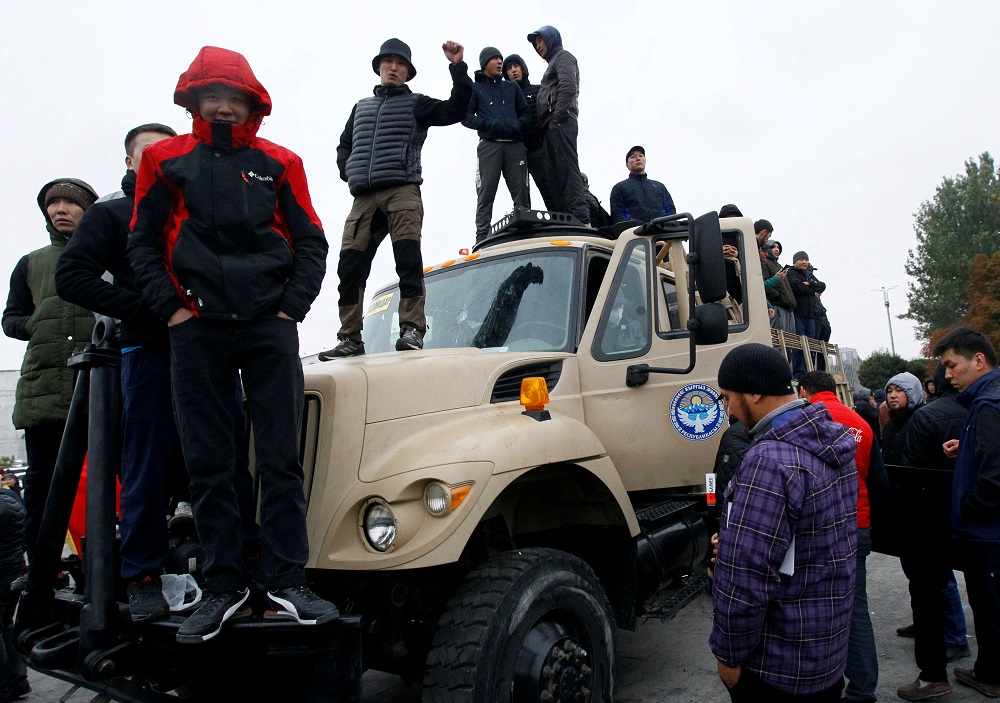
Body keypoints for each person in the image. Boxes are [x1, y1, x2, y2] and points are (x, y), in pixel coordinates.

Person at [128, 45, 335, 644]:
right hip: (196, 327)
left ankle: (287, 580)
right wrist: (172, 310)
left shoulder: (280, 162)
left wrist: (290, 308)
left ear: (252, 102)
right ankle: (221, 587)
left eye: (233, 97)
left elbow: (312, 239)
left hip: (268, 325)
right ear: (193, 99)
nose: (222, 107)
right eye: (211, 96)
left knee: (279, 458)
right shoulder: (166, 160)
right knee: (208, 461)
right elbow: (143, 242)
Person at [55, 123, 186, 621]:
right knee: (144, 462)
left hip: (204, 351)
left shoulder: (194, 210)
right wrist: (141, 308)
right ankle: (143, 572)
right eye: (148, 153)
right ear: (130, 164)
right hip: (147, 351)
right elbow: (72, 277)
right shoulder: (112, 213)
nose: (160, 159)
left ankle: (230, 565)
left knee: (223, 456)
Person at [710, 344, 857, 702]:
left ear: (755, 392)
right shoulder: (830, 440)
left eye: (729, 398)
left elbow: (747, 576)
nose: (729, 409)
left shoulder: (769, 460)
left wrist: (728, 654)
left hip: (778, 667)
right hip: (825, 653)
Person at [324, 38, 472, 358]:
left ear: (407, 72)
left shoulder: (417, 103)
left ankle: (412, 329)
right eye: (388, 61)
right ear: (378, 66)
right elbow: (343, 148)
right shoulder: (361, 108)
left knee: (407, 260)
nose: (393, 67)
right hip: (363, 198)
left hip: (402, 190)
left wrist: (458, 68)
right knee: (349, 266)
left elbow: (455, 109)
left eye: (400, 63)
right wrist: (349, 173)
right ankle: (350, 337)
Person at [2, 177, 98, 561]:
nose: (60, 210)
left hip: (100, 380)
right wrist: (39, 324)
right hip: (43, 387)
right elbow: (11, 318)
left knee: (122, 476)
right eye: (53, 203)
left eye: (71, 203)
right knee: (43, 483)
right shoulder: (30, 263)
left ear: (89, 210)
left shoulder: (109, 253)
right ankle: (42, 565)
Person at [797, 371, 886, 703]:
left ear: (804, 390)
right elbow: (880, 483)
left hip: (818, 527)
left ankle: (823, 684)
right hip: (858, 525)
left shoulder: (802, 420)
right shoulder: (860, 423)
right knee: (855, 609)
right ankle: (862, 687)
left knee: (812, 611)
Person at [893, 364, 971, 698]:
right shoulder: (975, 410)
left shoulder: (926, 418)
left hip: (925, 521)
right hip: (958, 516)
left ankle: (935, 672)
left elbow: (910, 474)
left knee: (931, 589)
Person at [933, 327, 1000, 697]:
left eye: (951, 365)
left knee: (990, 608)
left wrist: (969, 509)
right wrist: (969, 448)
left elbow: (996, 478)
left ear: (978, 360)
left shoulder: (990, 404)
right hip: (989, 530)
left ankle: (991, 674)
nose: (947, 375)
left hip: (988, 532)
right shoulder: (986, 402)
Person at [463, 46, 530, 242]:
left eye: (501, 59)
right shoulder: (476, 88)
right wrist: (487, 125)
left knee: (521, 191)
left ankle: (525, 229)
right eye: (495, 59)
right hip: (489, 146)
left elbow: (526, 113)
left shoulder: (512, 87)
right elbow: (465, 116)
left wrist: (517, 126)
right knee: (486, 192)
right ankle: (481, 235)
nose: (500, 62)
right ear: (485, 63)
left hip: (515, 145)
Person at [526, 25, 589, 225]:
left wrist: (559, 116)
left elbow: (568, 85)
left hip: (561, 121)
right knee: (555, 175)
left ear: (551, 38)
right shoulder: (552, 64)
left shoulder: (563, 57)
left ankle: (580, 218)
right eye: (536, 44)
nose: (538, 46)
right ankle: (565, 220)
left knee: (567, 171)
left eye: (541, 41)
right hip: (550, 125)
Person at [502, 54, 549, 206]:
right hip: (516, 151)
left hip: (539, 149)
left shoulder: (538, 90)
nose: (513, 70)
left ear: (523, 68)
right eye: (509, 68)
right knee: (521, 197)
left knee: (549, 188)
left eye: (516, 66)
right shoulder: (505, 99)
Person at [0, 486, 28, 701]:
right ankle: (18, 681)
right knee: (6, 626)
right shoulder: (11, 500)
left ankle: (3, 689)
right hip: (13, 570)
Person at [609, 146, 676, 224]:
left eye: (641, 156)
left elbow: (670, 210)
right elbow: (617, 214)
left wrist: (670, 226)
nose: (638, 159)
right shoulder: (620, 188)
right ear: (627, 165)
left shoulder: (660, 186)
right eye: (633, 157)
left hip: (662, 232)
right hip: (635, 233)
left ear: (645, 160)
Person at [786, 251, 826, 378]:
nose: (804, 262)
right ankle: (799, 373)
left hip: (811, 316)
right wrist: (812, 289)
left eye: (806, 259)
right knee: (799, 344)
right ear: (795, 261)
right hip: (798, 314)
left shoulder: (808, 275)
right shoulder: (791, 273)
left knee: (810, 345)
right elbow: (797, 287)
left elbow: (822, 286)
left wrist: (809, 284)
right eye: (801, 259)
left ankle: (809, 372)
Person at [881, 372, 924, 466]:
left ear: (913, 393)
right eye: (889, 391)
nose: (892, 395)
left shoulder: (922, 422)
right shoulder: (890, 425)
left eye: (899, 390)